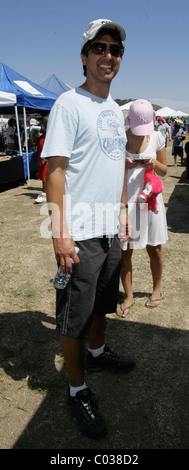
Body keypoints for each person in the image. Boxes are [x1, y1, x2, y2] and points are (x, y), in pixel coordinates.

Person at [41, 18, 135, 439]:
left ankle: (96, 352)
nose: (108, 56)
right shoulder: (68, 104)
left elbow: (114, 166)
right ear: (84, 56)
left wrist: (122, 210)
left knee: (101, 304)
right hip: (77, 232)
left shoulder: (116, 112)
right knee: (73, 317)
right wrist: (60, 233)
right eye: (99, 48)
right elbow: (54, 172)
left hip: (109, 229)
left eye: (115, 50)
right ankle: (77, 390)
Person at [116, 99, 168, 318]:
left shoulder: (156, 137)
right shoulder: (120, 138)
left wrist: (154, 164)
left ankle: (156, 289)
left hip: (151, 201)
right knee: (124, 251)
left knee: (154, 248)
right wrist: (123, 164)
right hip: (127, 202)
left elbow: (164, 171)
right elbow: (108, 170)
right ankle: (128, 295)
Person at [34, 119, 48, 203]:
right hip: (40, 159)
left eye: (41, 126)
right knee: (42, 176)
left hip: (45, 160)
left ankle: (44, 194)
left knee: (44, 177)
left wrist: (45, 159)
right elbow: (32, 143)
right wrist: (33, 133)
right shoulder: (41, 137)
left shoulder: (49, 137)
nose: (40, 128)